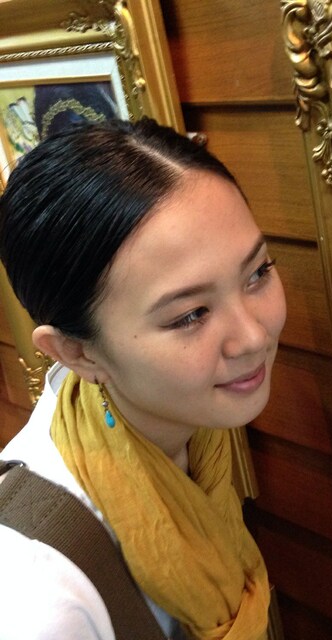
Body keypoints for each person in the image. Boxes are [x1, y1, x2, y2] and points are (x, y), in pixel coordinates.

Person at [0, 118, 286, 639]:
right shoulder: (40, 598)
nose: (252, 336)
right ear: (77, 352)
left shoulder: (189, 432)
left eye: (258, 272)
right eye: (190, 315)